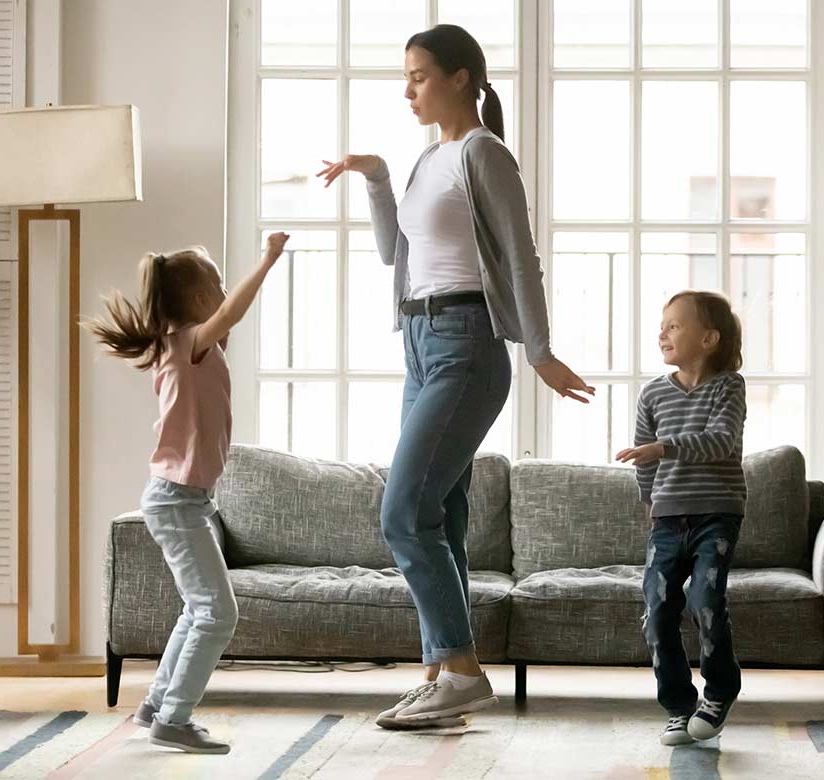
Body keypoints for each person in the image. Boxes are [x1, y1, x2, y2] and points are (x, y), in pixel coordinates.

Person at [317, 24, 593, 729]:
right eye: (405, 77)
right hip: (419, 340)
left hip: (466, 343)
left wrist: (539, 349)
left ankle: (462, 672)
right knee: (444, 514)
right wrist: (377, 178)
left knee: (403, 513)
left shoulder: (484, 154)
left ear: (461, 78)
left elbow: (522, 257)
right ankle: (441, 671)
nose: (408, 89)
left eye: (419, 76)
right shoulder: (425, 161)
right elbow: (392, 253)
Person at [84, 234, 289, 753]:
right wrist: (266, 260)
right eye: (217, 283)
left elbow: (226, 324)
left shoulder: (194, 348)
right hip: (176, 500)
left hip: (184, 500)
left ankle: (157, 705)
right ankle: (174, 718)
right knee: (218, 614)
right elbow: (233, 314)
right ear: (198, 302)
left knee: (198, 609)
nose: (224, 292)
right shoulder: (187, 344)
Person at [615, 290, 748, 746]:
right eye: (663, 324)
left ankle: (719, 692)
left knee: (706, 601)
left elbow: (721, 442)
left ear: (709, 338)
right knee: (656, 609)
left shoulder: (729, 386)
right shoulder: (653, 392)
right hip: (668, 520)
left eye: (674, 325)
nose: (662, 333)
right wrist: (650, 503)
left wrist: (666, 447)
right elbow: (643, 460)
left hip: (717, 515)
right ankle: (678, 705)